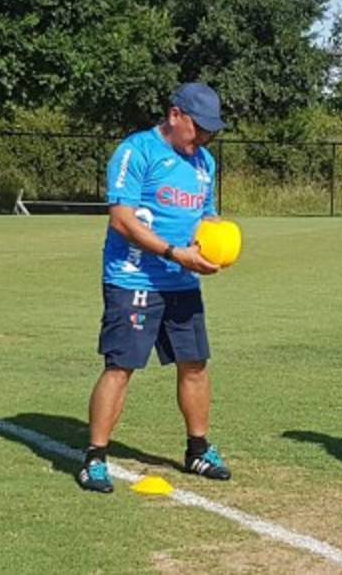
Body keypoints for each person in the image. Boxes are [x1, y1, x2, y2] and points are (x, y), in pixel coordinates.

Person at [77, 82, 232, 493]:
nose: (204, 138)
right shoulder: (136, 151)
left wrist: (219, 242)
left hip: (182, 282)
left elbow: (207, 215)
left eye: (211, 132)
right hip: (134, 279)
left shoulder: (205, 163)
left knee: (195, 363)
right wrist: (174, 252)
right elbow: (122, 220)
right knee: (121, 367)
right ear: (175, 114)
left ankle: (197, 450)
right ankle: (94, 457)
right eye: (199, 128)